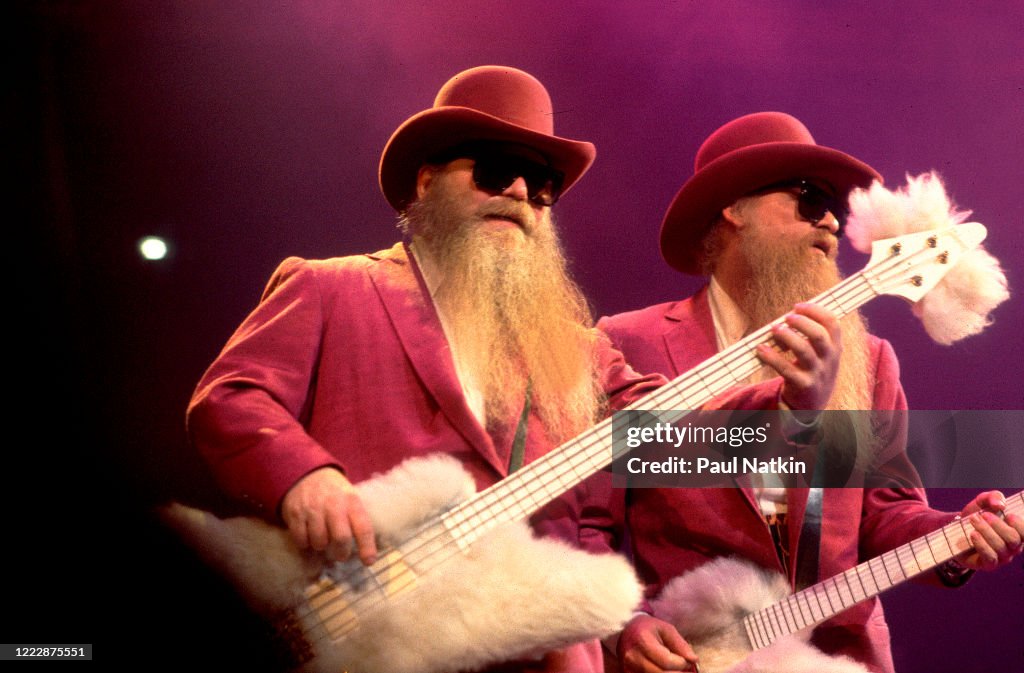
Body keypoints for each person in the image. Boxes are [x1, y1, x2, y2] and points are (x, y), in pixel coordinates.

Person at [185, 64, 676, 673]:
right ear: (427, 182)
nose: (519, 192)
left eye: (542, 183)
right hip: (375, 638)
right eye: (496, 169)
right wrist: (305, 479)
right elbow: (231, 395)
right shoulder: (330, 288)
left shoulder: (579, 351)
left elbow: (689, 447)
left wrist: (790, 403)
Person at [576, 112, 1024, 673]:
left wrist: (955, 535)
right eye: (811, 200)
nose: (833, 223)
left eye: (836, 209)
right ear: (734, 208)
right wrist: (624, 623)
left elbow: (885, 511)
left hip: (837, 656)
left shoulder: (870, 358)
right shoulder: (627, 343)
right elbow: (587, 523)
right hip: (690, 656)